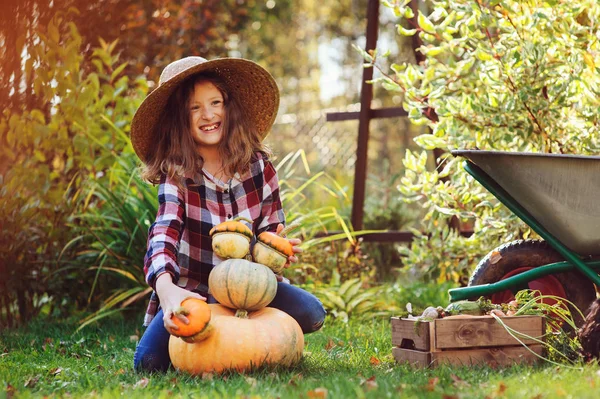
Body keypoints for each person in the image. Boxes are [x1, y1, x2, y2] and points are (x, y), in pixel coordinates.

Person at [130, 56, 326, 373]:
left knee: (312, 313)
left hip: (250, 293)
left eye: (215, 102)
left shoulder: (258, 166)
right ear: (180, 119)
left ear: (228, 106)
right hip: (195, 293)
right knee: (148, 363)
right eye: (194, 108)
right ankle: (220, 332)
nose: (208, 115)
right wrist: (167, 290)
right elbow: (163, 232)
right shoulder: (177, 174)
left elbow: (272, 229)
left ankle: (240, 334)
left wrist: (277, 249)